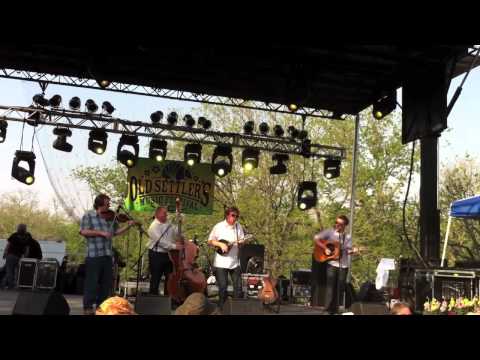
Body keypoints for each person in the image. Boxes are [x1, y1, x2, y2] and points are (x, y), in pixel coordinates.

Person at [79, 194, 137, 315]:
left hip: (107, 255)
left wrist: (128, 225)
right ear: (100, 203)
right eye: (107, 203)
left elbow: (115, 232)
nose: (109, 205)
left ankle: (102, 308)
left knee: (106, 284)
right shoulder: (89, 215)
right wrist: (101, 233)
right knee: (92, 282)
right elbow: (83, 231)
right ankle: (88, 307)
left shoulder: (111, 218)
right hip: (94, 255)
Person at [313, 215, 359, 314]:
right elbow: (316, 238)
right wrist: (325, 248)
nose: (337, 225)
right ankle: (327, 310)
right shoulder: (329, 232)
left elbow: (348, 250)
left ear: (345, 226)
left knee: (340, 288)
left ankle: (335, 309)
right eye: (336, 222)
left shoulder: (347, 237)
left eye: (340, 224)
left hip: (343, 265)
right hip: (331, 264)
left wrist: (353, 251)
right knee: (330, 288)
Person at [207, 206, 245, 309]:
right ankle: (221, 309)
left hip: (234, 262)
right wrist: (220, 244)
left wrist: (241, 243)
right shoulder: (219, 226)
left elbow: (241, 241)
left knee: (238, 288)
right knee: (223, 287)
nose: (235, 218)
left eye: (237, 216)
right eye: (233, 215)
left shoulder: (238, 227)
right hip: (221, 262)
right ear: (227, 215)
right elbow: (210, 241)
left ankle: (237, 309)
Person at [146, 207, 183, 296]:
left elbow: (177, 233)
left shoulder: (168, 224)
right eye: (164, 213)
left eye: (166, 213)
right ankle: (153, 298)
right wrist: (174, 246)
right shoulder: (153, 227)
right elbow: (160, 242)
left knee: (170, 278)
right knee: (156, 277)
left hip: (168, 254)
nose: (166, 215)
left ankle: (168, 298)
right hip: (156, 254)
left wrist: (179, 222)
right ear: (157, 214)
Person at [1, 224, 32, 289]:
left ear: (18, 228)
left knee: (9, 271)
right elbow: (27, 248)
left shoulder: (14, 235)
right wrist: (26, 257)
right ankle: (14, 285)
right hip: (20, 257)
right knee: (17, 272)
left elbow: (8, 245)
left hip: (11, 255)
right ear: (25, 229)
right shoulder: (28, 236)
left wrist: (5, 253)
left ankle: (10, 286)